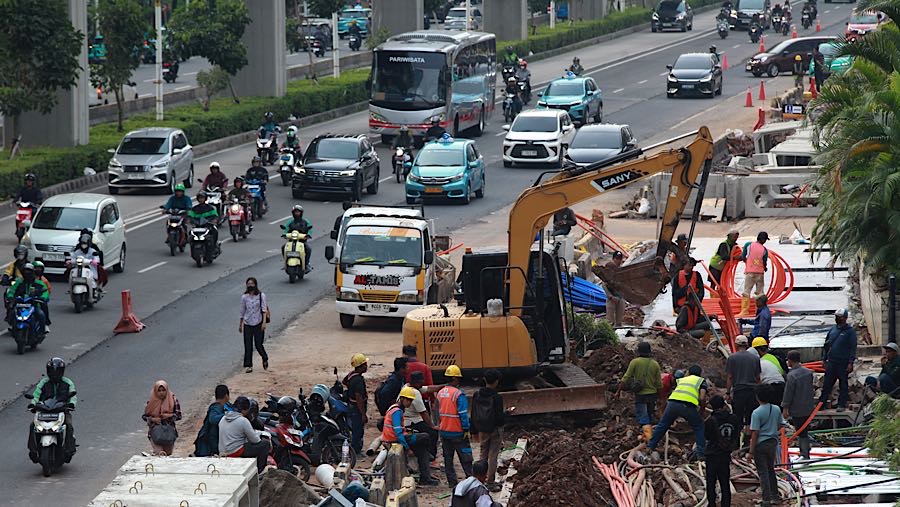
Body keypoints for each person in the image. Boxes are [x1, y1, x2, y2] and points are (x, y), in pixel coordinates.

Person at [647, 365, 707, 460]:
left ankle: (650, 446)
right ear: (700, 374)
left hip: (672, 403)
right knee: (699, 426)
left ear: (689, 372)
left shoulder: (682, 380)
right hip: (687, 406)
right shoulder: (701, 381)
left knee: (663, 424)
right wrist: (702, 410)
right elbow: (702, 398)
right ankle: (701, 454)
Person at [382, 386, 439, 485]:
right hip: (395, 440)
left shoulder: (395, 408)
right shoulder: (397, 411)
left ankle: (425, 478)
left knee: (422, 451)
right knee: (425, 436)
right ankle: (429, 457)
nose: (409, 403)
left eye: (411, 400)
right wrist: (407, 448)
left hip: (396, 438)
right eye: (408, 400)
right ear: (402, 399)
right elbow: (398, 432)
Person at [470, 368, 512, 489]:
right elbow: (499, 418)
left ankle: (479, 479)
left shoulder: (477, 394)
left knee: (482, 454)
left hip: (482, 429)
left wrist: (473, 430)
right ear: (497, 381)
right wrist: (507, 413)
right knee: (493, 456)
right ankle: (490, 482)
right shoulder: (496, 397)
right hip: (494, 430)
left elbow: (473, 413)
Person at [28, 358, 76, 462]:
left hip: (62, 410)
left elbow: (73, 395)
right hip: (44, 411)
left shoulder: (68, 383)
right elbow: (36, 395)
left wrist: (71, 404)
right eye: (52, 371)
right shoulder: (43, 382)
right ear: (48, 371)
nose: (54, 374)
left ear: (62, 371)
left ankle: (68, 449)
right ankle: (33, 451)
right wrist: (32, 404)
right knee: (33, 425)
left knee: (68, 425)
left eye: (57, 371)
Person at [438, 365, 474, 488]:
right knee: (466, 457)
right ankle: (471, 480)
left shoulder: (440, 393)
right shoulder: (458, 394)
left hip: (444, 431)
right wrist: (466, 429)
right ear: (454, 379)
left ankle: (452, 483)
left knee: (448, 459)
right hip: (458, 431)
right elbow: (463, 414)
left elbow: (437, 411)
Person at [748, 384, 783, 507]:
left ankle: (766, 500)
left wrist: (751, 451)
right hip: (772, 442)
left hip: (760, 445)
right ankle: (775, 496)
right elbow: (780, 424)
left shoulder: (756, 413)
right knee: (771, 469)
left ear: (757, 397)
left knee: (763, 472)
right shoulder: (776, 409)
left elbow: (755, 433)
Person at [620, 342, 662, 442]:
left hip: (640, 394)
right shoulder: (655, 364)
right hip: (652, 394)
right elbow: (659, 383)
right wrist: (661, 397)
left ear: (638, 351)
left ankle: (649, 439)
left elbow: (626, 377)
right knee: (649, 414)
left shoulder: (635, 362)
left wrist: (618, 390)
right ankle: (649, 435)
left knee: (643, 416)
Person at [219, 396, 271, 473]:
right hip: (234, 451)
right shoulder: (243, 420)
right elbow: (256, 440)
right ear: (245, 410)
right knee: (265, 444)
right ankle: (260, 471)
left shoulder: (223, 418)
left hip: (222, 451)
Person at [704, 395, 740, 507]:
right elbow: (736, 435)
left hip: (712, 454)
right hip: (725, 455)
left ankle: (712, 504)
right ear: (723, 404)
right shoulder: (733, 418)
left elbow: (707, 437)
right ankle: (726, 504)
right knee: (725, 482)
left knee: (711, 482)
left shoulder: (710, 420)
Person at [819, 308, 857, 411]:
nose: (837, 318)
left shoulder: (850, 332)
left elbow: (853, 348)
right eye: (836, 316)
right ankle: (821, 403)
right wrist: (824, 359)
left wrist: (850, 362)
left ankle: (841, 404)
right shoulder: (833, 330)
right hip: (832, 362)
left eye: (839, 317)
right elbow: (826, 345)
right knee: (827, 384)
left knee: (843, 384)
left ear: (845, 318)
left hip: (843, 363)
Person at [782, 350, 815, 459]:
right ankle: (806, 450)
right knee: (804, 430)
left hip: (797, 408)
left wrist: (785, 408)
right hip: (808, 407)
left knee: (800, 431)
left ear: (790, 361)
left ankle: (804, 453)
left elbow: (788, 393)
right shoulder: (808, 372)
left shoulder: (791, 376)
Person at [726, 336, 761, 435]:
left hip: (739, 391)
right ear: (747, 345)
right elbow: (758, 378)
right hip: (752, 391)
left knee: (738, 417)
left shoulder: (732, 358)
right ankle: (749, 440)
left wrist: (728, 392)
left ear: (736, 345)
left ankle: (738, 439)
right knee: (751, 418)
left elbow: (730, 377)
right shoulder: (755, 358)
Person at [6, 263, 49, 335]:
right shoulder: (18, 282)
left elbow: (45, 292)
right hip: (20, 304)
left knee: (41, 314)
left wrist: (42, 298)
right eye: (25, 271)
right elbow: (11, 291)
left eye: (29, 271)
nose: (27, 273)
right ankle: (14, 327)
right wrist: (10, 297)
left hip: (34, 305)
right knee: (12, 313)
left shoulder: (39, 283)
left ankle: (42, 330)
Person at [404, 371, 439, 460]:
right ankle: (430, 456)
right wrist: (432, 426)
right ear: (417, 382)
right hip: (411, 422)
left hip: (406, 419)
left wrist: (444, 386)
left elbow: (429, 389)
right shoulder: (415, 393)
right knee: (432, 433)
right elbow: (424, 413)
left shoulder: (406, 386)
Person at [143, 380, 182, 456]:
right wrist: (153, 419)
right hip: (155, 432)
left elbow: (179, 415)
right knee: (160, 454)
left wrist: (169, 416)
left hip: (169, 432)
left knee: (168, 454)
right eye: (159, 391)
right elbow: (145, 416)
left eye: (163, 390)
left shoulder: (173, 400)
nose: (161, 393)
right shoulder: (151, 401)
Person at [239, 277, 269, 373]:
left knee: (258, 344)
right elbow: (242, 311)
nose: (250, 285)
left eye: (252, 283)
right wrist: (240, 324)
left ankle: (264, 357)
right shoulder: (244, 297)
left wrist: (264, 323)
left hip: (258, 323)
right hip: (248, 323)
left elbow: (264, 310)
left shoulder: (261, 296)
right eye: (248, 284)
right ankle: (249, 365)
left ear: (255, 285)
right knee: (248, 345)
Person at [193, 384, 233, 457]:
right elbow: (213, 419)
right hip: (210, 443)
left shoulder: (226, 406)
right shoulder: (216, 407)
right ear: (226, 395)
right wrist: (228, 415)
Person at [344, 353, 369, 454]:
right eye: (365, 364)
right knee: (358, 431)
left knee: (355, 428)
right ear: (361, 366)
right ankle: (355, 452)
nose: (367, 366)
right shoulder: (358, 380)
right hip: (356, 409)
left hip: (351, 405)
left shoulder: (351, 375)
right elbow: (359, 399)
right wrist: (363, 414)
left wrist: (350, 389)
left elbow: (344, 381)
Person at [739, 232, 769, 316]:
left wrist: (748, 263)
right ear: (763, 240)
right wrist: (765, 268)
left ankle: (745, 311)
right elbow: (764, 262)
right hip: (760, 273)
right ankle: (760, 311)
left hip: (750, 273)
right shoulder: (764, 250)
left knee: (746, 291)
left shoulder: (748, 245)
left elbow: (743, 256)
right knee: (760, 293)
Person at [753, 337, 786, 406]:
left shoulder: (760, 361)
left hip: (770, 388)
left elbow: (758, 379)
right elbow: (782, 372)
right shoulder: (774, 357)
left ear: (757, 350)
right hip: (781, 386)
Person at [603, 251, 627, 327]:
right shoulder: (608, 269)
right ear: (613, 259)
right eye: (617, 259)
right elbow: (604, 284)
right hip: (611, 298)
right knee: (610, 321)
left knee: (619, 321)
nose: (618, 261)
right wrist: (610, 296)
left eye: (620, 259)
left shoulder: (621, 270)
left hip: (620, 298)